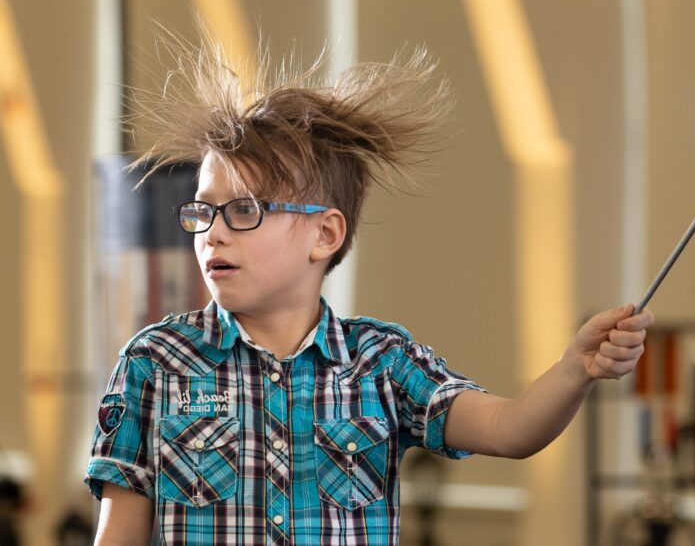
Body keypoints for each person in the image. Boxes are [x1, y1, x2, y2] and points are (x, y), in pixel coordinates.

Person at [84, 34, 653, 545]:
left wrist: (575, 368)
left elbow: (512, 430)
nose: (213, 233)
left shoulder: (382, 362)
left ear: (324, 234)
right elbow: (119, 535)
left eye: (244, 210)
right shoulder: (155, 362)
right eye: (202, 211)